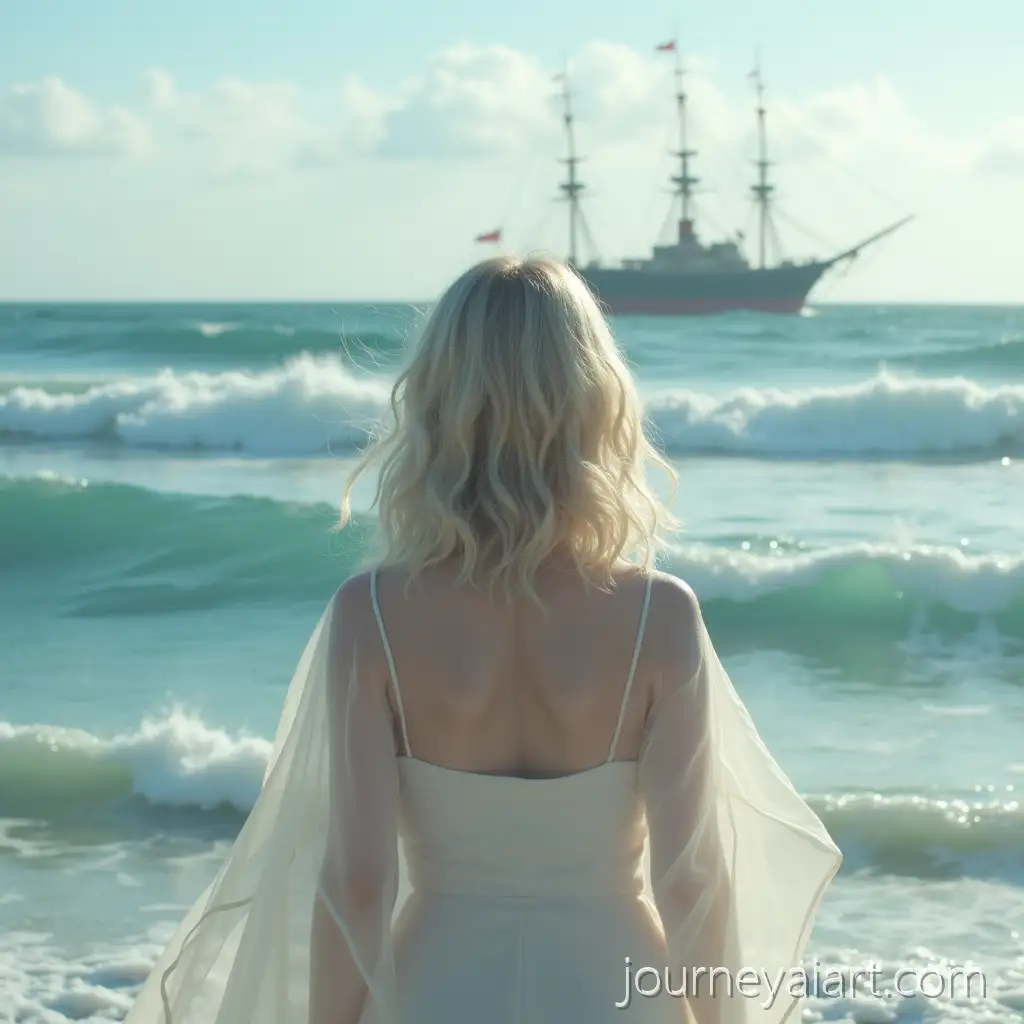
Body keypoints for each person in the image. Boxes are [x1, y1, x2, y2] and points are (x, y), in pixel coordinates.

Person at [123, 257, 841, 1024]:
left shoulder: (371, 615)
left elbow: (358, 883)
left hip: (436, 988)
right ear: (595, 399)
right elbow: (692, 878)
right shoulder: (659, 617)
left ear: (437, 399)